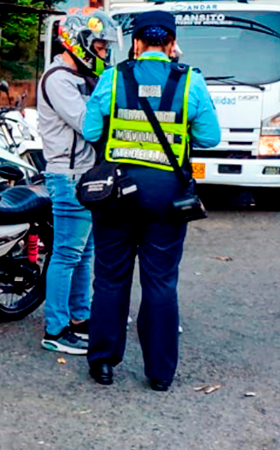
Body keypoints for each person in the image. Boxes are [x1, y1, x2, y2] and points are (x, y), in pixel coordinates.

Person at [80, 10, 220, 391]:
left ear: (136, 43)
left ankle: (103, 363)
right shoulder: (190, 81)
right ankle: (160, 374)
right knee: (160, 282)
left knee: (109, 279)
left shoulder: (113, 79)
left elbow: (90, 129)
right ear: (171, 44)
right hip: (166, 196)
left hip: (115, 193)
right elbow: (209, 137)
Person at [35, 9, 115, 355]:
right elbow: (88, 124)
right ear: (79, 42)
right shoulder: (59, 78)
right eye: (99, 46)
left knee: (86, 254)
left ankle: (80, 318)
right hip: (68, 177)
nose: (104, 53)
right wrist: (108, 89)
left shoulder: (81, 76)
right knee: (67, 254)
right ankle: (55, 328)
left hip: (88, 174)